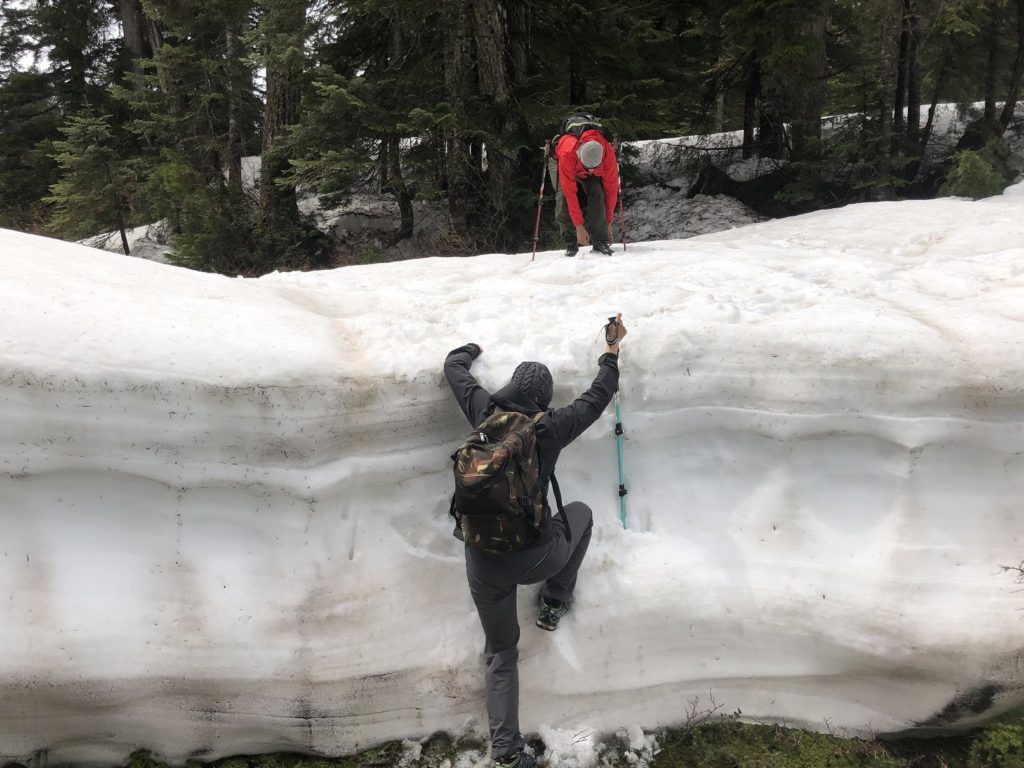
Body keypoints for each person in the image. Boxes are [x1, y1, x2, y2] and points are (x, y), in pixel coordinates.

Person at [443, 315, 628, 768]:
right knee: (580, 516)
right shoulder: (551, 428)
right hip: (535, 557)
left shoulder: (485, 413)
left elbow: (454, 368)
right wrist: (612, 351)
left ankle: (506, 753)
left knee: (501, 651)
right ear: (544, 399)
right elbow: (598, 396)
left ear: (509, 387)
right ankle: (554, 601)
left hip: (481, 562)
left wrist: (470, 348)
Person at [551, 125, 619, 258]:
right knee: (563, 196)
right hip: (562, 162)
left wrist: (608, 223)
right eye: (589, 168)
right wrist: (579, 226)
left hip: (585, 164)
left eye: (595, 168)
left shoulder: (607, 153)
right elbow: (570, 193)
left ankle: (600, 240)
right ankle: (570, 242)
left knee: (598, 193)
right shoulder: (568, 153)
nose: (592, 172)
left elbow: (611, 190)